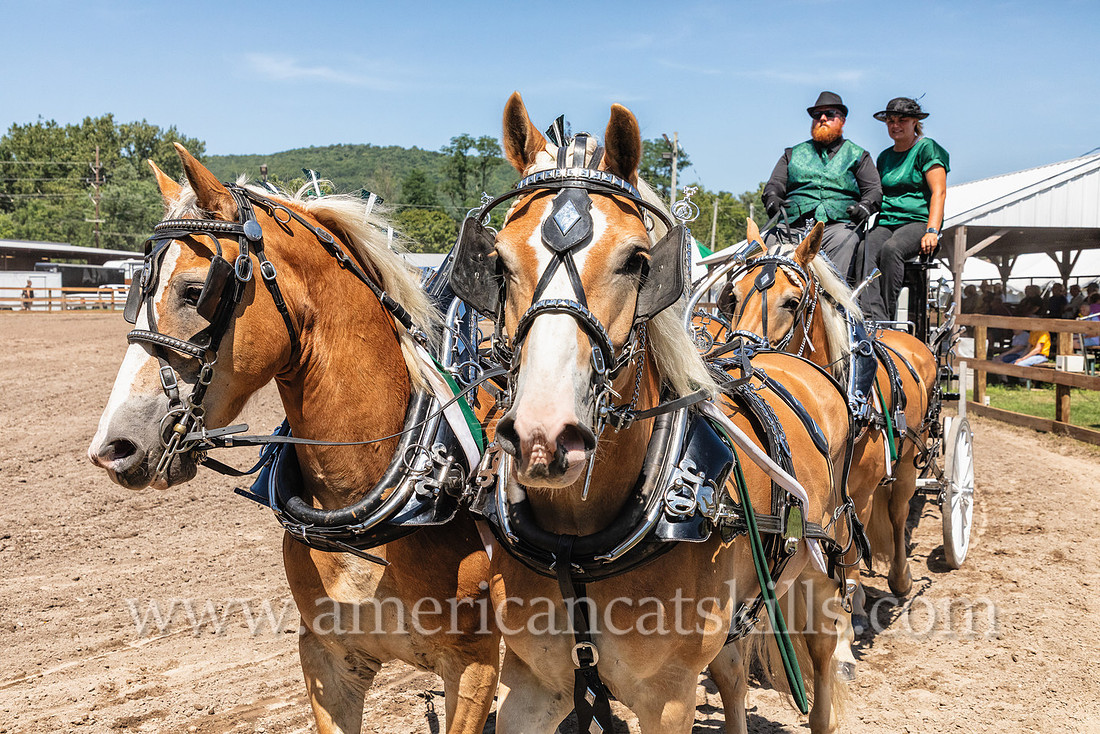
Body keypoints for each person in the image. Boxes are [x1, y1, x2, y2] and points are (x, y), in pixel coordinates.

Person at [762, 91, 882, 284]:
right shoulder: (792, 154)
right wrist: (773, 198)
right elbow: (774, 184)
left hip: (837, 227)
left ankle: (832, 301)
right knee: (768, 240)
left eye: (829, 114)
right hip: (793, 225)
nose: (822, 118)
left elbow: (874, 190)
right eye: (817, 115)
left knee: (847, 239)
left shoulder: (859, 155)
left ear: (842, 120)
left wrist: (865, 206)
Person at [861, 97, 949, 322]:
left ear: (915, 122)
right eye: (890, 121)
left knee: (892, 249)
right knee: (864, 249)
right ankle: (872, 316)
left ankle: (888, 319)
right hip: (887, 221)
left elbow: (939, 192)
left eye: (902, 120)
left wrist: (932, 230)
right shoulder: (884, 157)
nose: (895, 125)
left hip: (918, 221)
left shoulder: (927, 149)